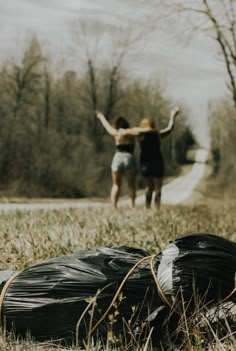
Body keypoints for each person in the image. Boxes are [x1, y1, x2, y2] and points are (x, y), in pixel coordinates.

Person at [96, 112, 140, 208]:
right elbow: (139, 133)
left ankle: (114, 206)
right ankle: (132, 205)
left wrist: (101, 117)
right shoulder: (131, 133)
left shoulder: (116, 133)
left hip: (117, 157)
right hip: (129, 157)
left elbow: (107, 126)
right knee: (131, 184)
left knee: (116, 184)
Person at [139, 107, 180, 209]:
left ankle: (147, 207)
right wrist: (172, 116)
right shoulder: (157, 134)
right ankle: (157, 208)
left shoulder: (139, 135)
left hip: (145, 163)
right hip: (157, 162)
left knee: (148, 187)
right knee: (158, 188)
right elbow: (170, 128)